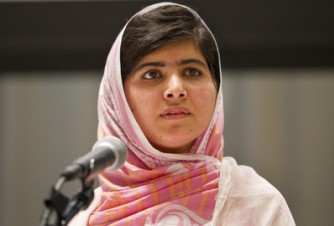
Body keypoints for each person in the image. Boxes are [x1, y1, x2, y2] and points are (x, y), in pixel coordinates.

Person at [69, 2, 295, 225]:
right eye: (152, 74)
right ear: (118, 99)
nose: (176, 90)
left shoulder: (256, 204)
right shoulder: (82, 218)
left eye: (192, 71)